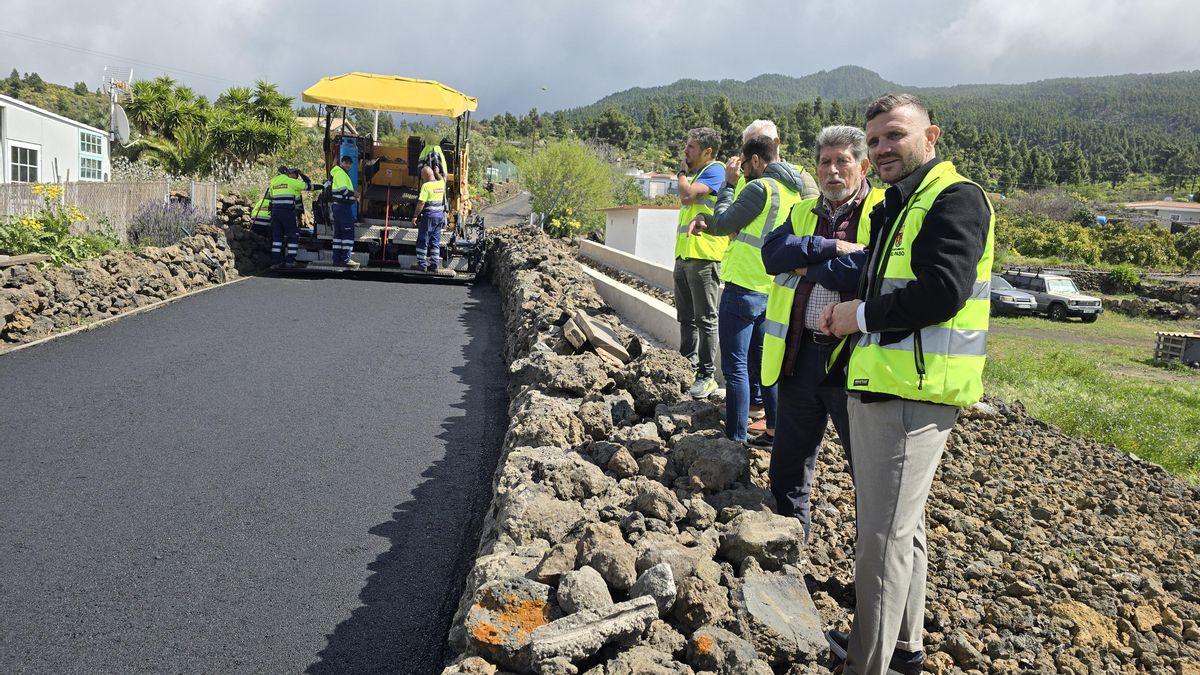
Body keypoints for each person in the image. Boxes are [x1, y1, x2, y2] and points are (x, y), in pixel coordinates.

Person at [808, 94, 994, 675]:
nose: (882, 148)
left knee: (881, 540)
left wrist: (858, 316)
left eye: (895, 135)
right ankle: (904, 649)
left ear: (930, 136)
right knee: (900, 532)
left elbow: (943, 292)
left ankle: (869, 664)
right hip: (887, 384)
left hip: (912, 393)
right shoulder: (900, 202)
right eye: (875, 141)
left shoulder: (954, 199)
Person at [759, 125, 884, 539]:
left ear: (863, 166)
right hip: (799, 356)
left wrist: (805, 265)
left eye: (842, 161)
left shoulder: (883, 209)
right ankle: (789, 544)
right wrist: (830, 248)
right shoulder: (801, 212)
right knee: (788, 463)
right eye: (825, 162)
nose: (832, 171)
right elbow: (771, 254)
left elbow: (867, 268)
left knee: (867, 468)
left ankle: (871, 558)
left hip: (854, 360)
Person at [689, 135, 806, 444]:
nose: (741, 171)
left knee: (736, 368)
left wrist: (728, 185)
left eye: (743, 165)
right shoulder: (793, 193)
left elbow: (723, 223)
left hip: (743, 287)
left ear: (756, 160)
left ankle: (735, 439)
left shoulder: (760, 188)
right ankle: (774, 432)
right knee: (766, 366)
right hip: (772, 290)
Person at [735, 120, 819, 436]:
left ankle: (775, 423)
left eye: (758, 143)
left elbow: (813, 224)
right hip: (753, 275)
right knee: (757, 355)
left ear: (775, 143)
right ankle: (762, 412)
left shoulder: (801, 179)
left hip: (781, 283)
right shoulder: (750, 179)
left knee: (775, 355)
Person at [672, 127, 728, 400]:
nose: (686, 151)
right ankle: (687, 367)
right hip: (685, 255)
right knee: (686, 318)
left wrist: (681, 172)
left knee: (705, 319)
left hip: (704, 256)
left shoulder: (716, 170)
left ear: (707, 151)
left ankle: (706, 376)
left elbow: (687, 196)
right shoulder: (699, 174)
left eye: (691, 147)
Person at [269, 165, 313, 267]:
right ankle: (290, 260)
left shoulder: (273, 182)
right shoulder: (291, 182)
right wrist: (301, 174)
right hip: (287, 212)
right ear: (287, 173)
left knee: (277, 238)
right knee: (293, 235)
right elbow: (309, 186)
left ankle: (276, 261)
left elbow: (271, 197)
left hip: (275, 212)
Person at [411, 165, 449, 274]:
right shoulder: (440, 184)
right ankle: (434, 265)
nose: (422, 177)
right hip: (439, 216)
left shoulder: (426, 186)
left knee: (423, 240)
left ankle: (422, 265)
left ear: (426, 175)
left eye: (422, 175)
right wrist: (437, 173)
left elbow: (421, 203)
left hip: (429, 217)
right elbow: (442, 179)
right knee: (435, 241)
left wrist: (415, 216)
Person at [329, 155, 360, 268]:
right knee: (347, 233)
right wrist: (355, 194)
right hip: (343, 208)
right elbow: (343, 190)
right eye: (345, 163)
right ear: (341, 163)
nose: (347, 165)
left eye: (349, 163)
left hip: (338, 207)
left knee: (338, 235)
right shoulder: (341, 174)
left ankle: (337, 260)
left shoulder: (338, 172)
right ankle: (345, 259)